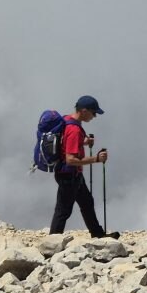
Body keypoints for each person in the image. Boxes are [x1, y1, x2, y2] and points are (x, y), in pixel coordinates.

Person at [49, 95, 119, 239]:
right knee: (63, 210)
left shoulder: (67, 120)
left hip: (72, 175)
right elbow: (70, 159)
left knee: (87, 202)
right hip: (68, 175)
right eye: (94, 113)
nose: (94, 116)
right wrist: (96, 159)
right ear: (84, 111)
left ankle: (97, 233)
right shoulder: (74, 130)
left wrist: (84, 142)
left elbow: (66, 143)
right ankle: (52, 242)